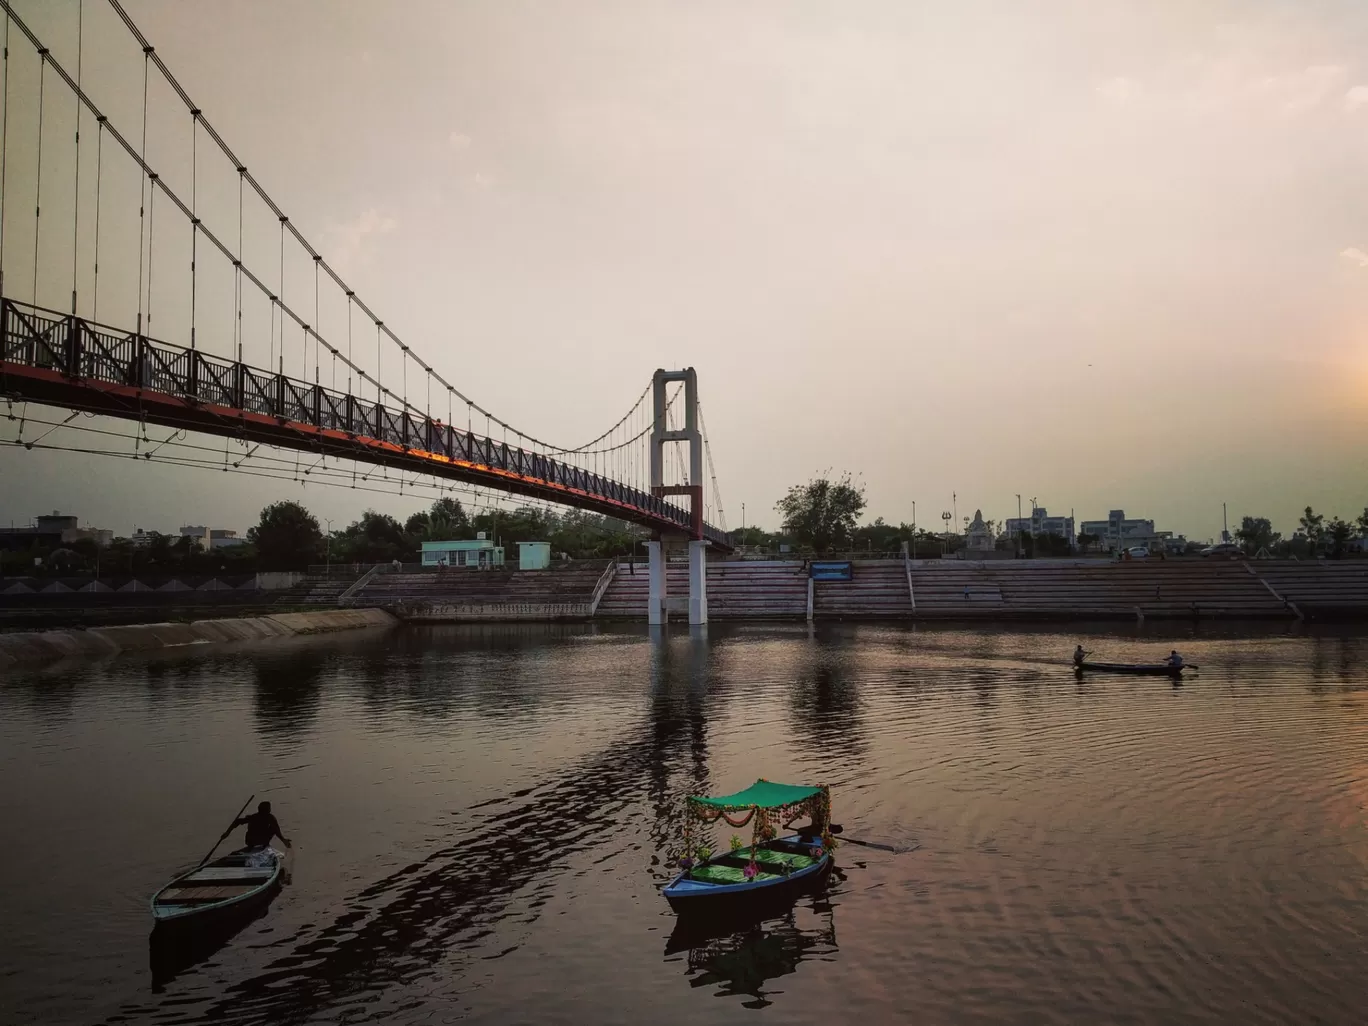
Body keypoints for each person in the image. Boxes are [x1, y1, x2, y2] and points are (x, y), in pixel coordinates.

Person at [228, 801, 292, 850]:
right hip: (257, 840)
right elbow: (276, 830)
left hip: (252, 840)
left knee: (273, 827)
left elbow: (238, 821)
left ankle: (256, 845)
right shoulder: (269, 817)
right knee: (273, 828)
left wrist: (227, 833)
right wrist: (283, 840)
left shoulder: (253, 817)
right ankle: (262, 845)